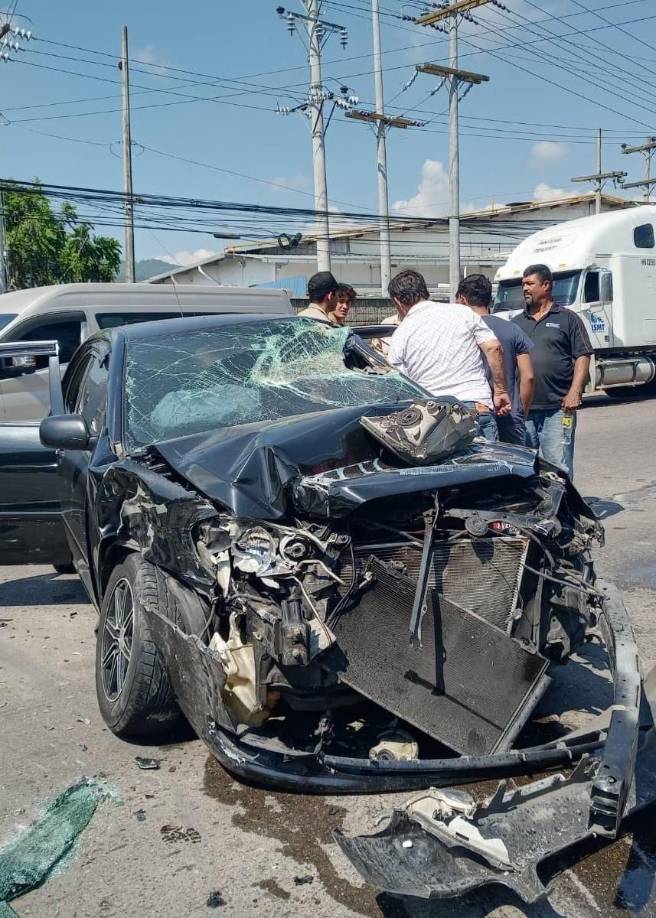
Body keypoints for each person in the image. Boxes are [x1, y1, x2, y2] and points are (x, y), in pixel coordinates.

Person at [387, 269, 511, 440]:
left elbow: (399, 384)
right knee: (487, 465)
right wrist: (500, 391)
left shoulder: (400, 334)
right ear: (425, 291)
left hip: (434, 418)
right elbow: (493, 348)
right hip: (476, 407)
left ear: (397, 302)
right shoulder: (463, 312)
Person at [513, 263, 592, 478]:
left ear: (546, 285)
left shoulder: (568, 318)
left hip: (559, 408)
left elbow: (582, 356)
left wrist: (575, 391)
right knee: (525, 466)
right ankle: (538, 510)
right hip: (525, 409)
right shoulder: (517, 322)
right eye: (523, 284)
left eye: (530, 284)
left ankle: (564, 510)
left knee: (557, 465)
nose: (525, 289)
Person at [456, 274, 535, 445]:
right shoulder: (512, 328)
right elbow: (528, 376)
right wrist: (522, 411)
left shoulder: (459, 332)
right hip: (510, 414)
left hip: (476, 412)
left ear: (462, 299)